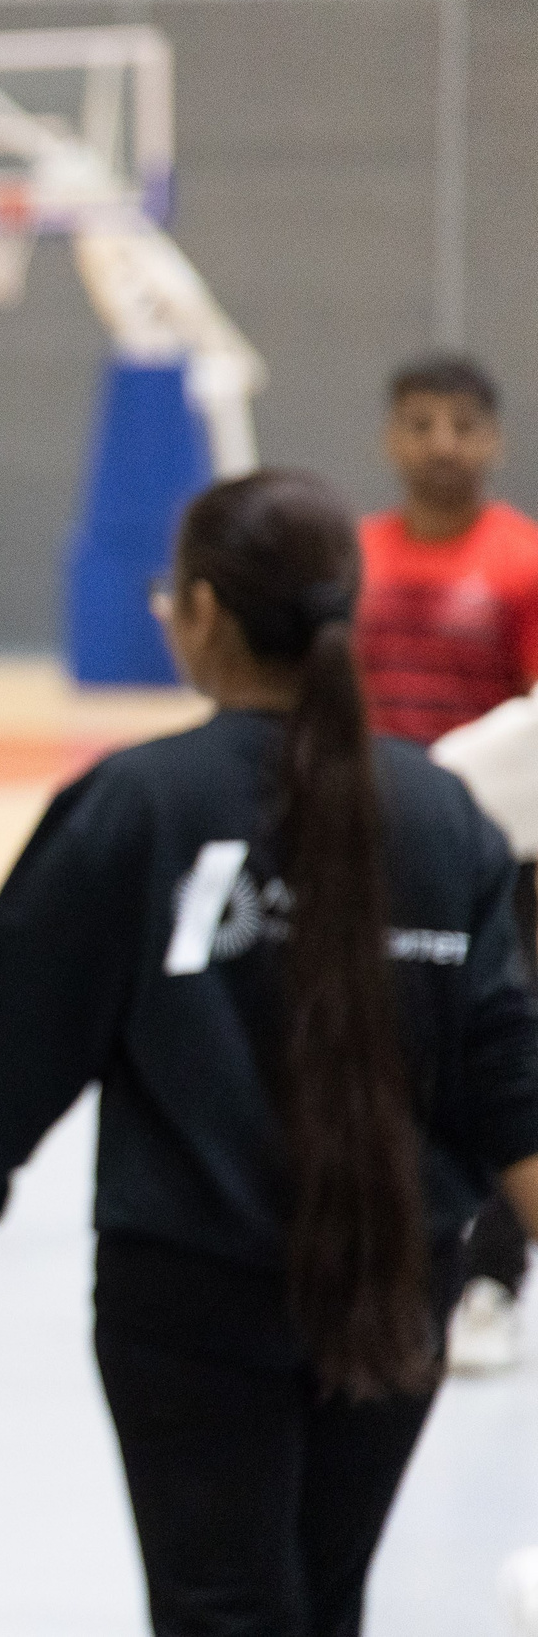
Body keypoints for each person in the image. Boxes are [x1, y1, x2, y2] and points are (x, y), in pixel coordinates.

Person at [0, 470, 538, 1636]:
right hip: (399, 1281)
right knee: (325, 1599)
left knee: (220, 1606)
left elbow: (23, 1006)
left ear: (200, 611)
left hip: (190, 1286)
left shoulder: (139, 803)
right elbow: (503, 1055)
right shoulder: (444, 815)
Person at [353, 351, 538, 1373]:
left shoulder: (521, 561)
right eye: (420, 423)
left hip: (499, 863)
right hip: (375, 853)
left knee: (500, 1062)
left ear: (493, 439)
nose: (441, 445)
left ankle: (492, 1279)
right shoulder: (358, 559)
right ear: (391, 435)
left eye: (462, 426)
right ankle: (396, 1263)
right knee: (382, 1061)